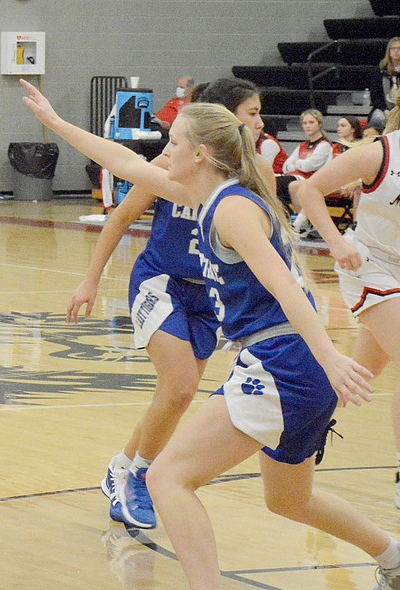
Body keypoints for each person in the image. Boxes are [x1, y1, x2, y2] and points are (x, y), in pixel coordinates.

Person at [20, 77, 400, 590]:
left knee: (167, 478)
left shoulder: (233, 210)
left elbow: (288, 287)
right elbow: (122, 161)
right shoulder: (203, 193)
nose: (164, 152)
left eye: (173, 144)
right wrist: (54, 122)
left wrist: (331, 358)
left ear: (202, 153)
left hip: (285, 361)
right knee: (288, 499)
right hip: (295, 366)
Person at [77, 77, 274, 531]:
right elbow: (123, 216)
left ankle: (123, 464)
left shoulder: (256, 173)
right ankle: (139, 479)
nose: (260, 122)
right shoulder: (175, 160)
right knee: (182, 385)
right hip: (161, 281)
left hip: (209, 291)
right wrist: (90, 280)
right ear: (225, 120)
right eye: (252, 112)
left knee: (173, 397)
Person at [293, 69, 400, 510]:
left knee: (360, 374)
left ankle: (302, 426)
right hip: (369, 264)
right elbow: (308, 190)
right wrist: (334, 242)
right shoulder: (378, 154)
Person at [279, 109, 333, 235]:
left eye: (311, 122)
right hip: (296, 176)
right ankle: (287, 219)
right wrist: (299, 163)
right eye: (304, 123)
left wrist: (296, 163)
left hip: (311, 179)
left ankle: (300, 222)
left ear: (319, 124)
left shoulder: (324, 145)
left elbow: (309, 166)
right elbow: (285, 166)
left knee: (283, 184)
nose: (307, 125)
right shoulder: (302, 145)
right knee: (275, 183)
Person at [380, 37, 400, 110]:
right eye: (393, 48)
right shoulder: (380, 69)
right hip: (384, 108)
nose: (396, 51)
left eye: (399, 48)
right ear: (389, 51)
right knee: (377, 118)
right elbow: (376, 97)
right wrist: (385, 110)